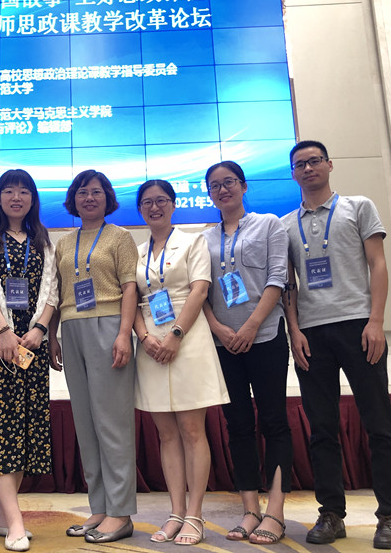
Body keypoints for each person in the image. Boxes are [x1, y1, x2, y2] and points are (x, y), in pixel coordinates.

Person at [282, 140, 391, 549]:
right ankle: (331, 514)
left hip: (359, 327)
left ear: (330, 165)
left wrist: (376, 321)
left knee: (379, 425)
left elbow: (378, 264)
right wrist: (294, 331)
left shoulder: (358, 207)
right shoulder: (286, 225)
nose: (308, 168)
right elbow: (289, 285)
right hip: (311, 335)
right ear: (293, 173)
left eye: (315, 161)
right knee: (322, 429)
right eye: (300, 164)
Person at [0, 170, 58, 552]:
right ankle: (16, 523)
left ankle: (3, 518)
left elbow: (52, 291)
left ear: (33, 198)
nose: (16, 197)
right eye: (8, 191)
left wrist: (39, 330)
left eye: (23, 191)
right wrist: (3, 330)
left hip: (30, 348)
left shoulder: (44, 241)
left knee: (23, 432)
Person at [132, 180, 229, 546]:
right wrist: (144, 337)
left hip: (187, 339)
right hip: (150, 344)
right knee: (167, 434)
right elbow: (131, 299)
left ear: (173, 205)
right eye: (147, 202)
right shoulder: (137, 252)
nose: (154, 207)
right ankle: (175, 512)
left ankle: (195, 515)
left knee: (191, 430)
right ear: (140, 209)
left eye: (161, 201)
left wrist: (175, 335)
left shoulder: (193, 242)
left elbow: (199, 290)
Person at [200, 161, 293, 545]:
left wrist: (252, 325)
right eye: (215, 186)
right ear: (209, 193)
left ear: (243, 186)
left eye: (229, 183)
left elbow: (278, 277)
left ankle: (276, 512)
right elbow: (199, 291)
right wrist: (218, 328)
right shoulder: (204, 238)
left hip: (266, 337)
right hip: (223, 344)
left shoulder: (269, 224)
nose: (222, 190)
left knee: (274, 422)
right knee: (237, 425)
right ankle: (250, 509)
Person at [48, 169, 139, 544]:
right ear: (73, 199)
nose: (89, 198)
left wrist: (124, 333)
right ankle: (99, 507)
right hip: (71, 329)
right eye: (82, 192)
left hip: (109, 327)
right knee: (85, 424)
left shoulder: (120, 237)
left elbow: (130, 288)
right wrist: (52, 335)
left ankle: (121, 512)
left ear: (108, 198)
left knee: (112, 424)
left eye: (96, 192)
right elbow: (57, 293)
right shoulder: (64, 243)